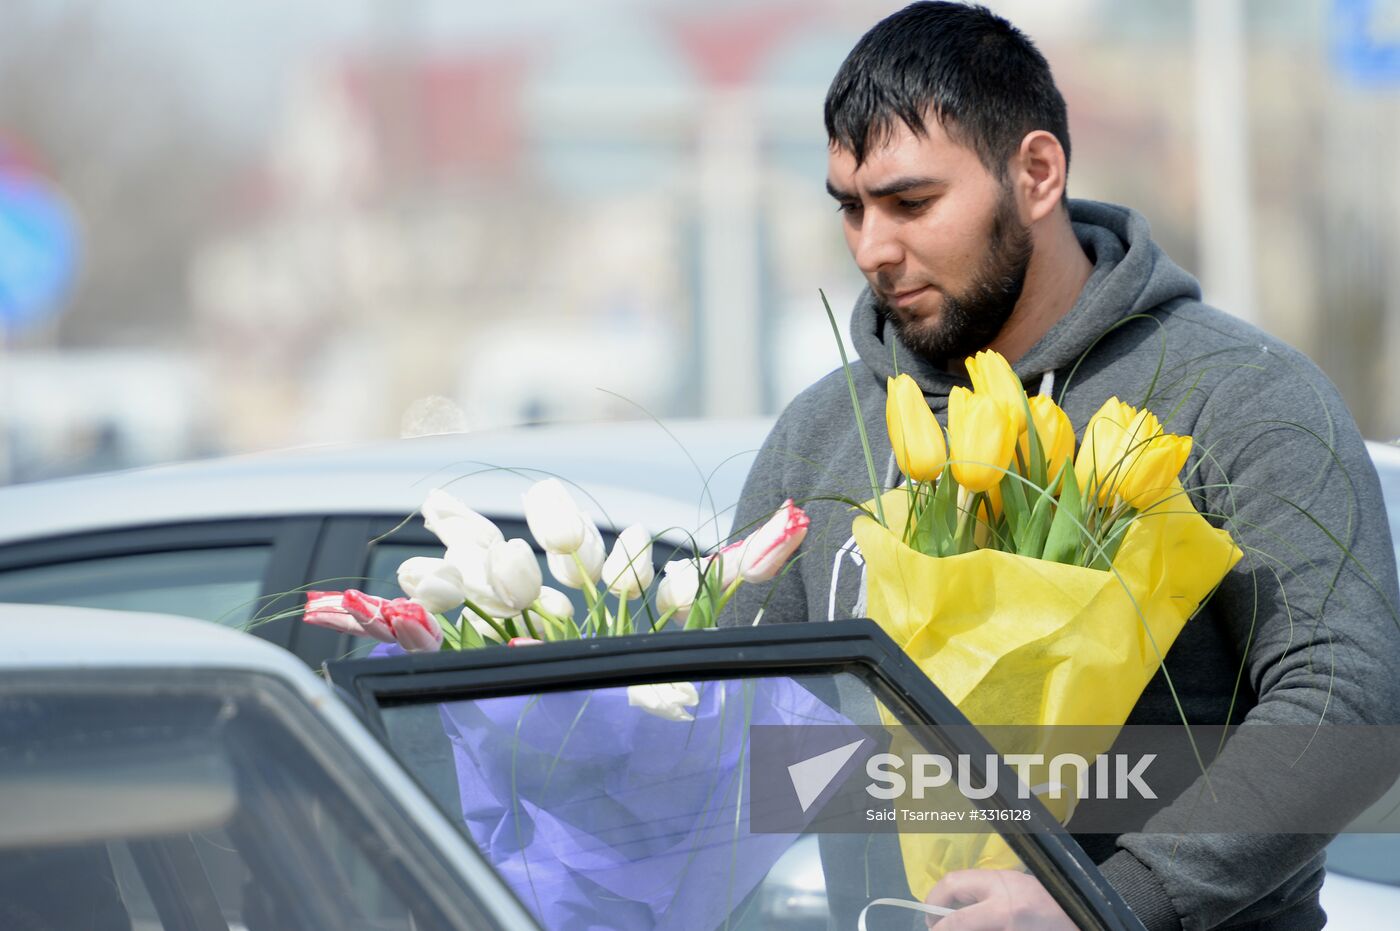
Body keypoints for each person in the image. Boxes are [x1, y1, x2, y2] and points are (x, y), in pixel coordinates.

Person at [720, 3, 1400, 929]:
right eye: (852, 206)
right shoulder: (823, 433)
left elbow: (1350, 700)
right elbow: (742, 743)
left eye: (912, 202)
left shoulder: (1239, 396)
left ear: (1037, 172)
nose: (874, 247)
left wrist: (1106, 903)